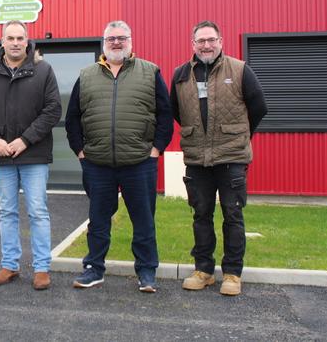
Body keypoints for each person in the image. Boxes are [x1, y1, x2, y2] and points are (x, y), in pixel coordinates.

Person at [65, 20, 173, 293]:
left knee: (143, 219)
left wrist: (155, 150)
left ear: (130, 41)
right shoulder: (87, 75)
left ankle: (147, 272)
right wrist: (80, 152)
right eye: (111, 38)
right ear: (104, 43)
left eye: (121, 38)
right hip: (98, 164)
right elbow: (73, 118)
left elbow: (165, 115)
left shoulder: (150, 72)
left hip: (139, 162)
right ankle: (94, 268)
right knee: (98, 219)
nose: (116, 42)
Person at [171, 21, 267, 296]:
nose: (206, 45)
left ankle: (233, 274)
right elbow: (176, 111)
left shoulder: (239, 70)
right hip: (197, 159)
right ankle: (203, 270)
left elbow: (259, 107)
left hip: (232, 158)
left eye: (211, 40)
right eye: (200, 41)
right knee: (201, 215)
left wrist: (239, 135)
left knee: (232, 215)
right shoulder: (181, 75)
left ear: (221, 41)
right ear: (193, 44)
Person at [0, 21, 62, 291]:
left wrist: (25, 140)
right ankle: (10, 265)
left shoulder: (43, 71)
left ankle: (42, 268)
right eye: (10, 38)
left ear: (27, 40)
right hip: (1, 156)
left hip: (33, 154)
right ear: (2, 40)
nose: (15, 42)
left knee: (37, 211)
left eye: (20, 37)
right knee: (6, 211)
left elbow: (53, 110)